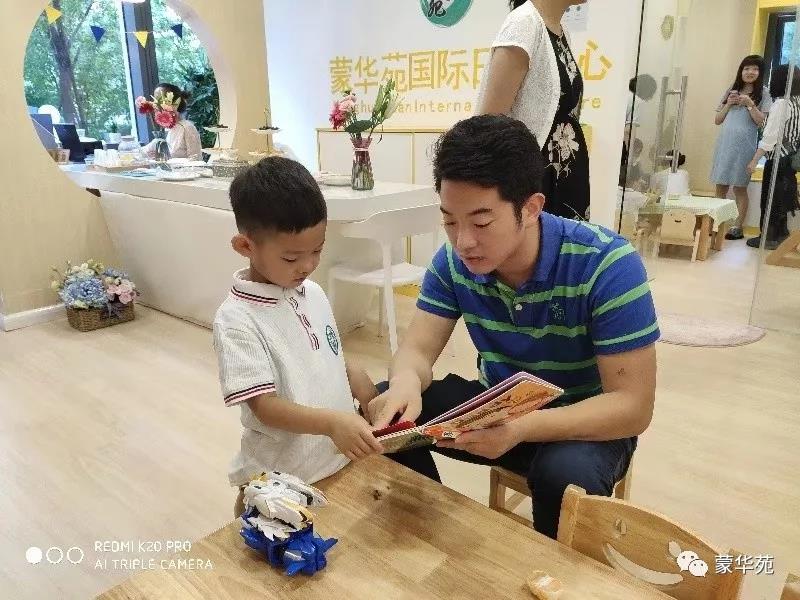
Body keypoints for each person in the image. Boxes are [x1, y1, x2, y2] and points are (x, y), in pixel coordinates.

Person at [366, 115, 659, 539]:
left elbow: (632, 406)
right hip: (496, 410)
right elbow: (416, 350)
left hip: (584, 424)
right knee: (385, 409)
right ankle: (429, 538)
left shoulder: (607, 265)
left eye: (481, 222)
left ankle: (550, 572)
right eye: (450, 221)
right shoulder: (453, 264)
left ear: (531, 207)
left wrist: (521, 428)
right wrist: (405, 382)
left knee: (565, 477)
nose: (463, 241)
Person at [213, 157, 381, 517]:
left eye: (317, 250)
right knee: (261, 534)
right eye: (291, 258)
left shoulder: (312, 292)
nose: (307, 266)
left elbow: (323, 353)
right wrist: (332, 423)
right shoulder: (237, 319)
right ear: (245, 246)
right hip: (281, 475)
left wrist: (355, 376)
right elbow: (264, 406)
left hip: (333, 460)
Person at [477, 0, 590, 220]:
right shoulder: (524, 23)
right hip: (533, 179)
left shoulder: (559, 30)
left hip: (563, 175)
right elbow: (488, 125)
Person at [710, 55, 771, 241]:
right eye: (746, 68)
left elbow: (762, 122)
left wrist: (750, 105)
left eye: (755, 69)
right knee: (720, 186)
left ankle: (737, 227)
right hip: (724, 144)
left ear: (760, 72)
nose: (750, 72)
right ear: (741, 71)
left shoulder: (764, 93)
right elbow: (717, 120)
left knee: (739, 188)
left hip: (745, 147)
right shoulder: (732, 89)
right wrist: (729, 103)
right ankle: (717, 224)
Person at [746, 64, 800, 250]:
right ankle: (781, 236)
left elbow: (770, 137)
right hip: (790, 159)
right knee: (782, 200)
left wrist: (754, 160)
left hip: (777, 159)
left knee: (770, 199)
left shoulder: (781, 104)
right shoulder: (797, 102)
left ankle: (768, 237)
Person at [142, 82, 203, 160]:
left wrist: (168, 159)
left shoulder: (187, 128)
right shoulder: (166, 129)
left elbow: (196, 159)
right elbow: (143, 152)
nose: (155, 105)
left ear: (174, 102)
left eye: (160, 100)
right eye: (155, 100)